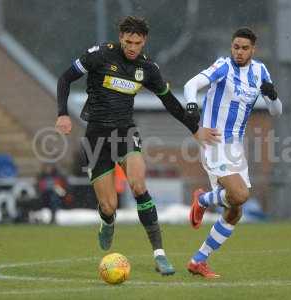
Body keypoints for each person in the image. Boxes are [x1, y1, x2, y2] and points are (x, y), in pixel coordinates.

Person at [55, 16, 219, 275]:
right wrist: (62, 113)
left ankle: (160, 255)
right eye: (128, 41)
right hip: (96, 137)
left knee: (138, 185)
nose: (132, 47)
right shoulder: (100, 55)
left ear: (145, 41)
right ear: (120, 38)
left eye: (137, 42)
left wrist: (195, 130)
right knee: (109, 206)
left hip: (125, 132)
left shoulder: (148, 69)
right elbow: (65, 78)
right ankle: (107, 221)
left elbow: (169, 102)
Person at [183, 27, 282, 278]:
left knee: (235, 211)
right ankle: (203, 200)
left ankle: (198, 260)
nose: (239, 52)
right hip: (214, 142)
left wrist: (273, 97)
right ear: (231, 47)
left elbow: (276, 112)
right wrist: (192, 105)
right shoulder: (223, 66)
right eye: (235, 47)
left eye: (244, 48)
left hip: (236, 147)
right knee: (239, 194)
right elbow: (190, 84)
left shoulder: (261, 72)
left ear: (253, 49)